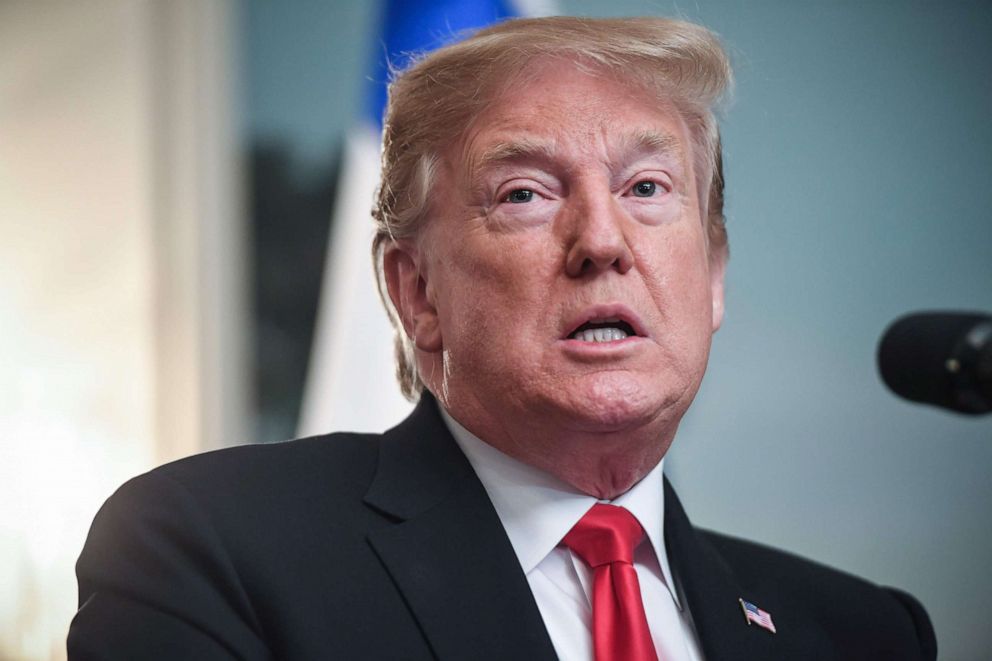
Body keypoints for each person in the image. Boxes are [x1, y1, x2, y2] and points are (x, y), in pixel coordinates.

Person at [68, 16, 937, 660]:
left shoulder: (865, 633)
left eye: (646, 186)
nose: (603, 241)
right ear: (415, 291)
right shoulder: (212, 551)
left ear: (712, 277)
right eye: (525, 193)